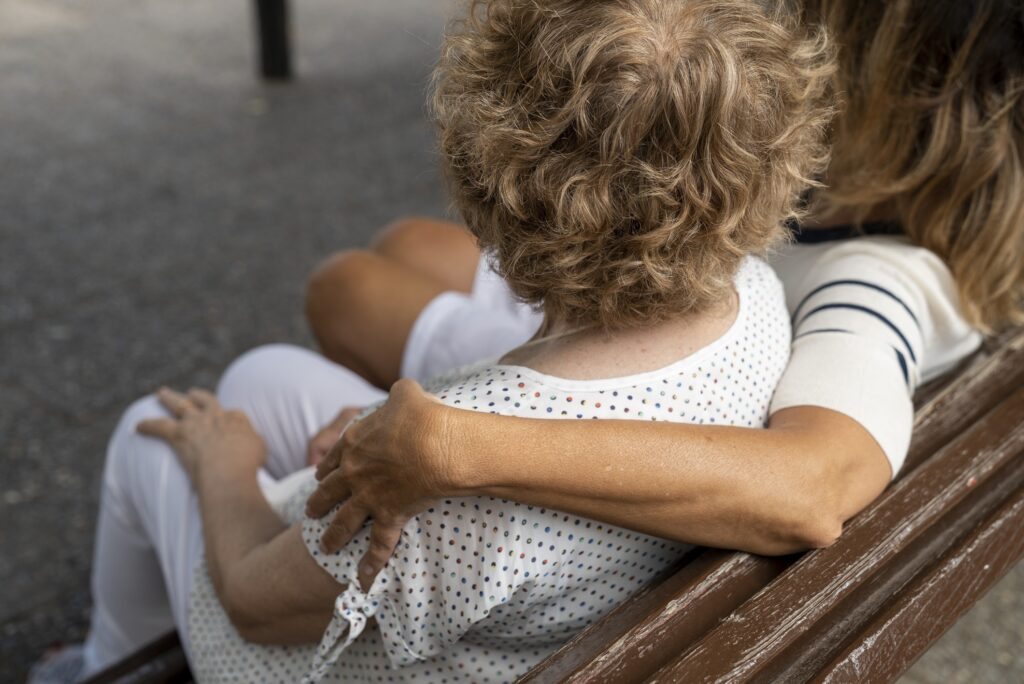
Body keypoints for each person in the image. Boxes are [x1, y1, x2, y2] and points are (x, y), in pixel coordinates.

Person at [28, 0, 836, 682]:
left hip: (316, 649)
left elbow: (250, 602)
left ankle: (103, 664)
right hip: (573, 602)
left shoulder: (445, 493)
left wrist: (224, 467)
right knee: (260, 378)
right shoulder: (750, 293)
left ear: (493, 172)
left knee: (150, 435)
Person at [301, 0, 1024, 584]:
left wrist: (456, 442)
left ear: (884, 81)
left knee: (345, 290)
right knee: (407, 244)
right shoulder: (873, 201)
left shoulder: (874, 285)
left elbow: (817, 486)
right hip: (666, 316)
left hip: (643, 378)